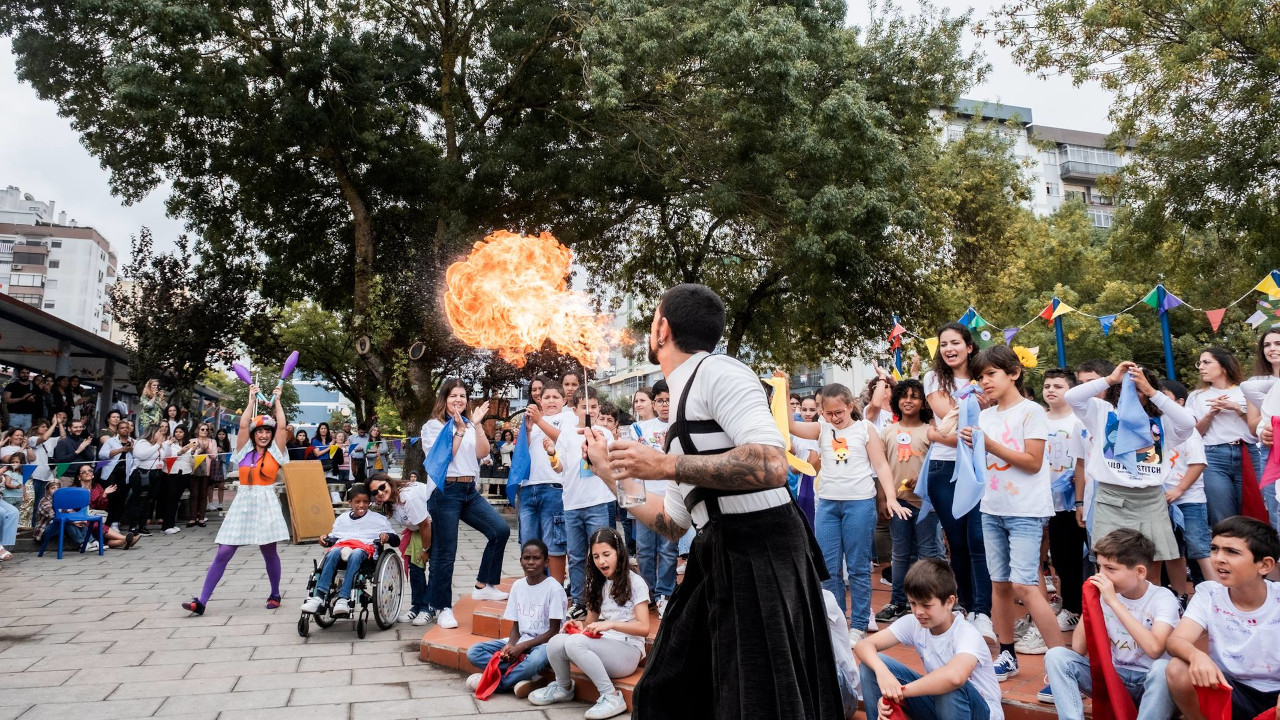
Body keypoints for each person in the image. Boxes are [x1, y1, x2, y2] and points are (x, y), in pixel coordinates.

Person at [583, 283, 844, 718]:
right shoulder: (678, 409)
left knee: (761, 700)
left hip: (763, 548)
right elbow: (672, 523)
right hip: (715, 551)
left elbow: (772, 463)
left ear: (663, 329)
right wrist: (611, 475)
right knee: (665, 691)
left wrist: (664, 466)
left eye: (653, 318)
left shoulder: (720, 371)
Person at [961, 345, 1061, 676]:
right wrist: (969, 445)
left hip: (1025, 510)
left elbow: (1033, 462)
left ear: (1014, 373)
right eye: (980, 377)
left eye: (991, 374)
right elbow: (982, 464)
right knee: (1000, 584)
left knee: (1024, 586)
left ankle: (1061, 663)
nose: (985, 382)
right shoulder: (984, 416)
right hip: (991, 508)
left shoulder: (1032, 412)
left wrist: (989, 444)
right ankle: (1007, 653)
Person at [789, 382, 912, 640]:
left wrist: (891, 498)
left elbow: (881, 465)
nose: (834, 418)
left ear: (849, 405)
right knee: (829, 568)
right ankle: (835, 624)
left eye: (839, 412)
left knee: (858, 567)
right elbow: (790, 426)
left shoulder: (865, 429)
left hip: (859, 503)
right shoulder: (822, 428)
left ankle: (858, 624)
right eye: (828, 413)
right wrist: (784, 387)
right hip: (828, 505)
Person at [1066, 362, 1195, 569]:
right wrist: (1110, 379)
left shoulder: (1162, 420)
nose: (1133, 394)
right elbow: (1072, 396)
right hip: (1111, 499)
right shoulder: (1102, 411)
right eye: (1127, 388)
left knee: (1149, 567)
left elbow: (1188, 422)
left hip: (1151, 500)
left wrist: (1152, 392)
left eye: (1139, 389)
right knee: (1109, 564)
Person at [1040, 528, 1178, 720]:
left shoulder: (1162, 598)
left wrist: (1113, 602)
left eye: (1110, 569)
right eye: (1100, 567)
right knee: (1056, 656)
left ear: (1139, 572)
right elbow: (1079, 648)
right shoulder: (1104, 596)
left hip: (1150, 682)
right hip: (1114, 678)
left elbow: (1155, 649)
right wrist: (1091, 602)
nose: (1102, 575)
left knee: (1163, 668)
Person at [182, 385, 291, 615]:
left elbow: (281, 426)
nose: (264, 435)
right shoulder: (243, 451)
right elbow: (243, 425)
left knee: (269, 551)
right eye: (259, 431)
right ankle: (201, 601)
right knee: (223, 552)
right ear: (253, 434)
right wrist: (251, 399)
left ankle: (275, 593)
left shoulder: (275, 452)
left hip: (266, 502)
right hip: (243, 503)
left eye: (267, 431)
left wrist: (278, 400)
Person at [855, 558, 1004, 720]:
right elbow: (863, 645)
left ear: (949, 602)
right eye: (913, 603)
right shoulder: (914, 623)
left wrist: (896, 692)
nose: (918, 612)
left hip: (981, 712)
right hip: (940, 705)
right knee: (871, 665)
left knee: (948, 686)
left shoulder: (967, 634)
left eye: (926, 605)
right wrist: (883, 673)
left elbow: (955, 677)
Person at [1165, 516, 1280, 720]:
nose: (1218, 558)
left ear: (1265, 565)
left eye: (1232, 552)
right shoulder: (1209, 594)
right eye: (1214, 549)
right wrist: (1196, 655)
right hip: (1229, 689)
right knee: (1177, 669)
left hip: (1276, 691)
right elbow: (1175, 640)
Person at [529, 528, 649, 720]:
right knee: (557, 641)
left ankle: (611, 696)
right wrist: (579, 625)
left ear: (619, 553)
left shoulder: (635, 582)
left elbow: (644, 628)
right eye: (596, 556)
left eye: (607, 554)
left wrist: (610, 624)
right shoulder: (597, 583)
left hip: (628, 650)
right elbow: (590, 623)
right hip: (606, 644)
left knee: (574, 643)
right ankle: (564, 687)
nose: (601, 561)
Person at [924, 323, 996, 641]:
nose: (949, 349)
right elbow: (950, 422)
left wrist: (943, 432)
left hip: (981, 466)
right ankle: (965, 606)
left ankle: (984, 612)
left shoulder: (986, 375)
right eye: (943, 344)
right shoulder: (934, 378)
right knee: (958, 543)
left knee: (979, 540)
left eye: (955, 343)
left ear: (969, 346)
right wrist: (972, 411)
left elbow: (995, 414)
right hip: (945, 468)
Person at [421, 379, 510, 629]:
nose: (458, 400)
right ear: (444, 399)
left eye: (462, 395)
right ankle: (442, 607)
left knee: (500, 530)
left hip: (469, 490)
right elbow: (444, 456)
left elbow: (482, 453)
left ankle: (484, 585)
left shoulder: (471, 424)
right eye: (453, 396)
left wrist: (477, 425)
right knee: (445, 552)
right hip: (445, 491)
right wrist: (459, 429)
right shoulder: (433, 426)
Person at [875, 378, 944, 625]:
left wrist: (922, 479)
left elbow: (937, 466)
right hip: (898, 503)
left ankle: (928, 599)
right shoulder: (887, 432)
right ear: (896, 401)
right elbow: (881, 469)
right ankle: (898, 601)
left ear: (924, 402)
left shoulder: (930, 431)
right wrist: (883, 500)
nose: (908, 400)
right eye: (904, 396)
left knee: (928, 553)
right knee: (900, 553)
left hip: (926, 504)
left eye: (915, 396)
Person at [466, 538, 566, 698]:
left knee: (534, 661)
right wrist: (511, 645)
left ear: (546, 562)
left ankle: (497, 683)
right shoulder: (518, 586)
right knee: (474, 652)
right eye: (526, 558)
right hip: (522, 640)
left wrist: (521, 647)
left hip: (545, 644)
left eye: (536, 558)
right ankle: (523, 676)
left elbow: (554, 631)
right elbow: (516, 627)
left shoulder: (554, 588)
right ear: (520, 561)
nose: (531, 562)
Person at [1039, 368, 1088, 639]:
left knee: (1084, 555)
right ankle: (1069, 605)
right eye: (1047, 386)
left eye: (1058, 386)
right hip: (1048, 500)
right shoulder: (1037, 419)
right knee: (1059, 556)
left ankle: (1082, 608)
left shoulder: (1080, 419)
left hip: (1077, 500)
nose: (1051, 390)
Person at [1188, 347, 1262, 526]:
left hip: (1248, 452)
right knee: (1221, 514)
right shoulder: (1196, 396)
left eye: (1206, 362)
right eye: (1200, 363)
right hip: (1213, 456)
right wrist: (1210, 414)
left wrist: (1237, 408)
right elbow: (1194, 434)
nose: (1201, 367)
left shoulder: (1246, 390)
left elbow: (1258, 427)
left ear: (1224, 367)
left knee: (1253, 510)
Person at [563, 387, 619, 619]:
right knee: (576, 556)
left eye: (594, 406)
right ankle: (580, 601)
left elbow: (610, 463)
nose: (590, 411)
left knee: (602, 554)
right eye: (585, 407)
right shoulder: (566, 434)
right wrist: (551, 454)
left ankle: (603, 601)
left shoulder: (604, 434)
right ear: (575, 409)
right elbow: (559, 467)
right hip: (572, 504)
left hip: (598, 503)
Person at [300, 483, 397, 617]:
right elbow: (334, 537)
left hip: (364, 551)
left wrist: (387, 537)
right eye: (357, 502)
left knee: (356, 554)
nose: (362, 505)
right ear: (350, 502)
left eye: (365, 502)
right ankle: (319, 596)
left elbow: (396, 540)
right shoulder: (342, 519)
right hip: (342, 548)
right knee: (333, 552)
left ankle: (343, 598)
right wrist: (324, 539)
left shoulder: (378, 519)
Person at [1159, 379, 1212, 602]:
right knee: (1172, 551)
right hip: (1161, 500)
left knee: (1199, 548)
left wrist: (1179, 490)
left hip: (1189, 499)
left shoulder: (1188, 429)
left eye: (1164, 397)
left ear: (1180, 402)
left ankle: (1215, 595)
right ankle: (1180, 596)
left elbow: (1198, 463)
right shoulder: (1154, 426)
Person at [630, 379, 676, 617]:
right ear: (654, 404)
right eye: (660, 401)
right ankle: (647, 592)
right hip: (645, 497)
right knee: (645, 549)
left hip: (672, 497)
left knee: (668, 549)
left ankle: (665, 593)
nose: (665, 405)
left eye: (669, 400)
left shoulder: (681, 426)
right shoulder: (640, 429)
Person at [520, 381, 570, 583]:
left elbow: (563, 440)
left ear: (564, 400)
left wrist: (539, 421)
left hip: (553, 486)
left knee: (554, 542)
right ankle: (533, 587)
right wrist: (528, 430)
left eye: (555, 397)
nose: (551, 401)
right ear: (539, 400)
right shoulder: (532, 420)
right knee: (529, 543)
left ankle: (556, 588)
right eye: (546, 397)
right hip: (528, 486)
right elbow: (523, 451)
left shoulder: (567, 418)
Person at [372, 471, 433, 625]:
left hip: (434, 525)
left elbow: (425, 523)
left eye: (381, 487)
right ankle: (417, 606)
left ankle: (429, 608)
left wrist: (426, 550)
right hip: (418, 529)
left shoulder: (408, 496)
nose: (380, 493)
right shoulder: (389, 502)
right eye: (374, 492)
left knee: (436, 568)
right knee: (415, 568)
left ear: (388, 482)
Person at [1243, 328, 1280, 531]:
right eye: (1267, 345)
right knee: (1275, 509)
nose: (1272, 349)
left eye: (1278, 343)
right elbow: (1253, 424)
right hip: (1270, 449)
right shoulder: (1255, 384)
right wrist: (1263, 430)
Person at [127, 424, 168, 536]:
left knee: (148, 501)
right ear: (153, 432)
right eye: (159, 431)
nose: (161, 433)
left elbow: (164, 456)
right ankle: (133, 526)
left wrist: (164, 445)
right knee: (139, 500)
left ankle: (142, 526)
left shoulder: (159, 444)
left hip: (156, 473)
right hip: (143, 474)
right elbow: (141, 455)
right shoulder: (142, 443)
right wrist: (157, 445)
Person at [98, 420, 134, 530]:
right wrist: (121, 450)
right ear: (118, 430)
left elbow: (137, 457)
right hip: (112, 473)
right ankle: (107, 522)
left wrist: (132, 450)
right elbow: (102, 455)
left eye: (127, 427)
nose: (125, 429)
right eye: (122, 428)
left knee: (121, 498)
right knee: (111, 498)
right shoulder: (111, 441)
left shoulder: (133, 441)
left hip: (125, 474)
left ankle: (115, 522)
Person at [160, 425, 195, 534]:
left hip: (185, 472)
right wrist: (180, 452)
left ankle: (171, 523)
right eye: (176, 432)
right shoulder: (169, 443)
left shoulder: (189, 444)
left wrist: (193, 452)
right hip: (171, 473)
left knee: (176, 500)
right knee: (170, 499)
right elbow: (166, 457)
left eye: (181, 432)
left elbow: (190, 459)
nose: (178, 434)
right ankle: (166, 526)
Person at [188, 423, 216, 528]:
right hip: (194, 470)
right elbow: (190, 455)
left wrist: (207, 449)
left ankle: (201, 518)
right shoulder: (192, 441)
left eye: (206, 429)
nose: (204, 431)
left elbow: (214, 456)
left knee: (203, 495)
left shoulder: (212, 441)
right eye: (202, 429)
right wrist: (198, 449)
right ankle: (192, 518)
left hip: (206, 471)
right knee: (194, 494)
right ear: (198, 430)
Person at [52, 417, 96, 482]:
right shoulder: (63, 442)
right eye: (75, 427)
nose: (79, 429)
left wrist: (83, 449)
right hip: (67, 477)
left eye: (80, 427)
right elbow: (60, 460)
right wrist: (77, 451)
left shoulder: (84, 441)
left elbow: (91, 459)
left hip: (82, 476)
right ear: (69, 429)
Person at [3, 366, 36, 430]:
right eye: (23, 373)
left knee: (25, 434)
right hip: (14, 415)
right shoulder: (11, 386)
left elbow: (37, 402)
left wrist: (32, 400)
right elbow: (6, 400)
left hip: (28, 416)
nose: (25, 375)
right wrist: (22, 398)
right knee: (12, 434)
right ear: (18, 374)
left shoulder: (33, 387)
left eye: (27, 373)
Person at [209, 426, 231, 512]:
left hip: (223, 466)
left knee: (221, 486)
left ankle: (220, 504)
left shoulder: (227, 444)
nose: (221, 436)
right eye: (219, 434)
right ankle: (210, 503)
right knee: (211, 485)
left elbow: (229, 456)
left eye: (223, 434)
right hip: (213, 465)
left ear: (226, 435)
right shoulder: (213, 442)